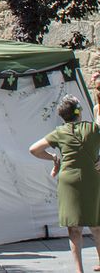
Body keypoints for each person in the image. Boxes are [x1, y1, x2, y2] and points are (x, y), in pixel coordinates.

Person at [33, 94, 100, 273]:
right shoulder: (93, 128)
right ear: (78, 112)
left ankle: (79, 270)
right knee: (97, 224)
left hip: (68, 181)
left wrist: (53, 157)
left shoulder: (59, 132)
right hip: (92, 177)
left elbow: (34, 149)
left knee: (74, 227)